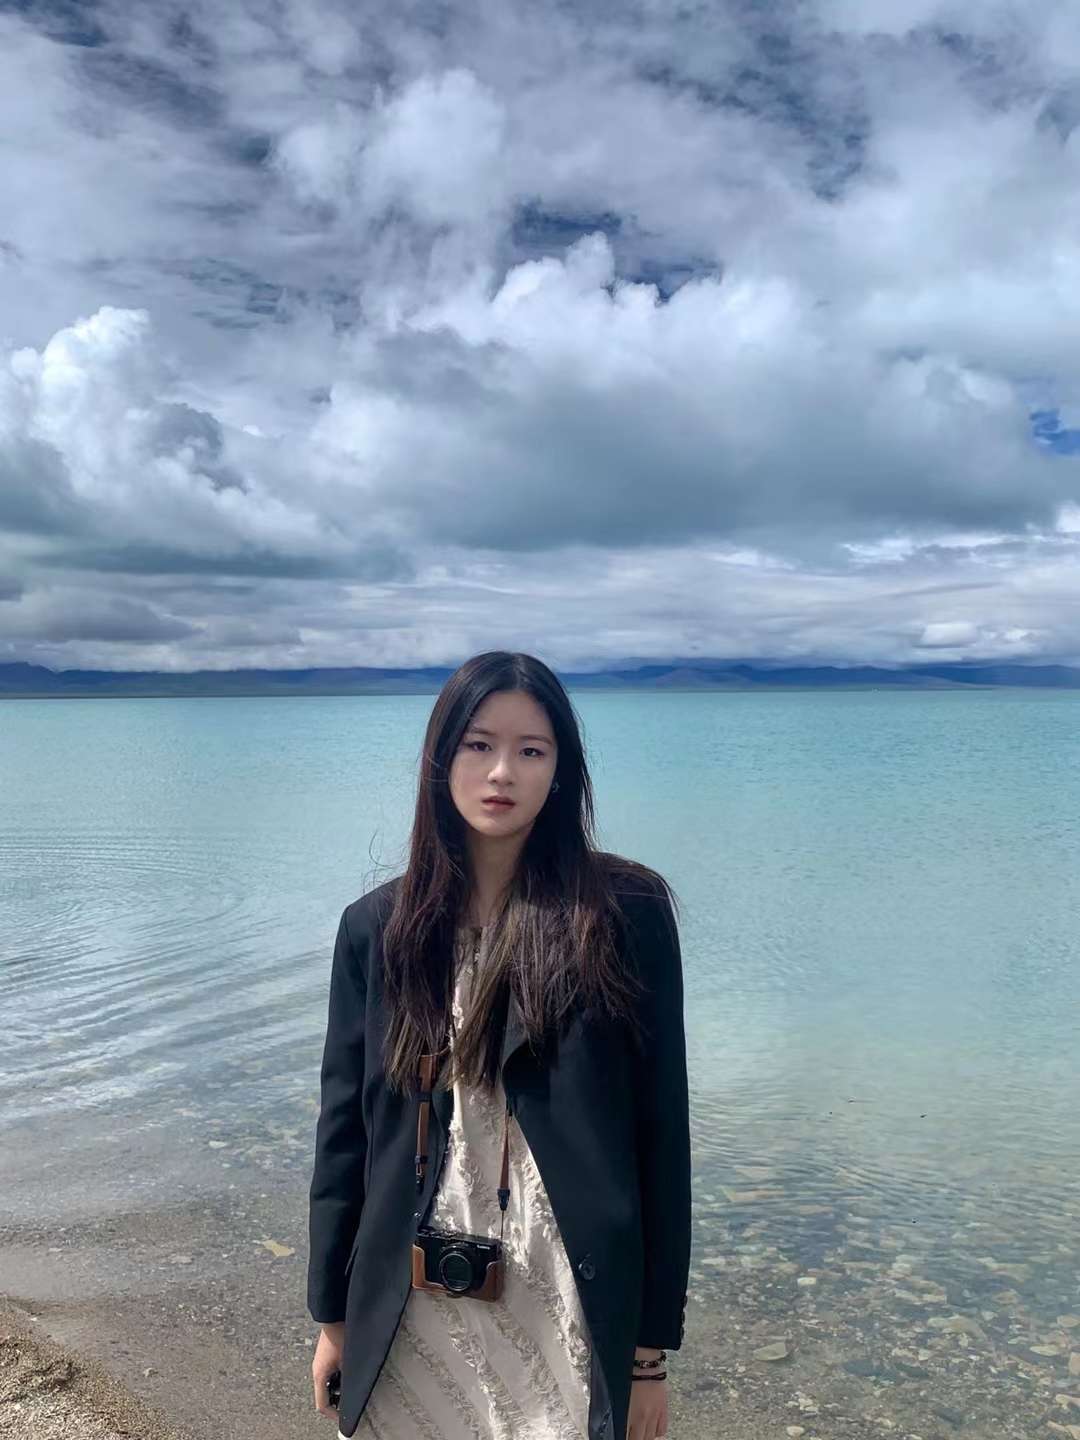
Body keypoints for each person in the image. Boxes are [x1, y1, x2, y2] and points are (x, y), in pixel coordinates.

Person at [307, 650, 691, 1440]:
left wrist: (647, 1357)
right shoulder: (379, 930)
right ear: (440, 758)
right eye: (478, 744)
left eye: (532, 750)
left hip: (562, 1291)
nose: (502, 772)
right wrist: (333, 1320)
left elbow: (662, 1141)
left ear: (562, 771)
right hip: (412, 1297)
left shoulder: (622, 914)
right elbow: (344, 1136)